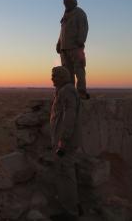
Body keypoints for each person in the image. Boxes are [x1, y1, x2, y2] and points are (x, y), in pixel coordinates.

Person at [50, 66, 81, 221]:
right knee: (65, 174)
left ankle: (70, 212)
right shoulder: (63, 91)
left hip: (65, 142)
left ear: (63, 77)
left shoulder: (67, 91)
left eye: (55, 76)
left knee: (66, 175)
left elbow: (69, 117)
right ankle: (71, 207)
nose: (52, 79)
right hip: (63, 140)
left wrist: (63, 140)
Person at [56, 0, 90, 99]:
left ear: (74, 3)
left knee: (79, 69)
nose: (67, 4)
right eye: (65, 3)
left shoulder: (79, 13)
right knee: (67, 72)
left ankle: (81, 92)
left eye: (69, 2)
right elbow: (62, 32)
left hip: (75, 47)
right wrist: (59, 43)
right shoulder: (65, 15)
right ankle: (70, 92)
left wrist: (81, 40)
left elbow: (84, 27)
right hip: (64, 48)